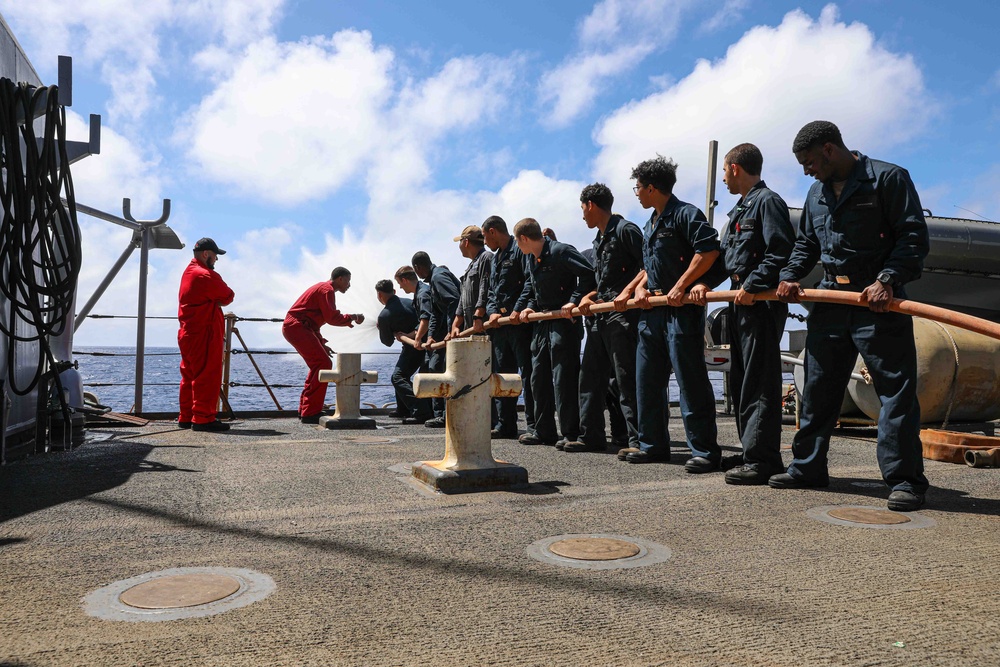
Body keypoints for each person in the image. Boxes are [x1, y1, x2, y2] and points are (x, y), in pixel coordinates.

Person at [772, 120, 930, 511]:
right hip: (831, 302)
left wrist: (888, 280)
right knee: (819, 387)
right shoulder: (815, 193)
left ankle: (905, 481)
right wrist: (790, 275)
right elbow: (807, 243)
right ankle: (807, 467)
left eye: (810, 162)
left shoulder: (888, 179)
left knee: (895, 392)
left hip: (877, 301)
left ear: (829, 149)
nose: (807, 171)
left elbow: (912, 237)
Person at [623, 156, 724, 470]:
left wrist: (682, 285)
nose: (636, 193)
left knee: (690, 380)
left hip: (680, 311)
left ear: (652, 188)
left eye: (638, 188)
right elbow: (648, 268)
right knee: (647, 381)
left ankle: (705, 452)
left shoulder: (685, 214)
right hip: (652, 311)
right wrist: (639, 289)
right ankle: (652, 445)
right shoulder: (650, 223)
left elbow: (709, 251)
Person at [714, 143, 795, 484]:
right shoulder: (738, 209)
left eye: (724, 171)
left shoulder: (768, 202)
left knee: (760, 380)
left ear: (734, 167)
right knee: (743, 379)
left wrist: (754, 282)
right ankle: (751, 451)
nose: (723, 178)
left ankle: (763, 459)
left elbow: (780, 251)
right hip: (740, 302)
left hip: (759, 303)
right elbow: (723, 259)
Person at [572, 183, 644, 454]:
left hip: (624, 317)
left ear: (591, 205)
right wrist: (589, 296)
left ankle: (638, 441)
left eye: (582, 209)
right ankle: (590, 436)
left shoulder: (626, 230)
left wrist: (629, 290)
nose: (582, 216)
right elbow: (605, 283)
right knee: (589, 378)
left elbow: (649, 264)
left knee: (626, 380)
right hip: (601, 317)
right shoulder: (598, 239)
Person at [514, 217, 595, 447]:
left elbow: (588, 274)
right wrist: (526, 307)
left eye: (518, 242)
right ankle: (544, 431)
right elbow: (531, 287)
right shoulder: (531, 258)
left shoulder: (560, 251)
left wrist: (574, 300)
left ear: (524, 238)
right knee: (538, 378)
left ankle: (570, 433)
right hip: (542, 322)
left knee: (564, 379)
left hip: (563, 321)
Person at [282, 267, 364, 424]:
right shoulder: (327, 290)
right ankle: (310, 411)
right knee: (323, 363)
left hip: (298, 327)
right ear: (340, 279)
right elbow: (332, 318)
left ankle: (306, 409)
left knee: (318, 364)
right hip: (298, 326)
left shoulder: (323, 288)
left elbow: (314, 321)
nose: (349, 285)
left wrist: (321, 343)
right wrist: (353, 317)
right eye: (347, 281)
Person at [483, 216, 536, 439]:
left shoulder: (519, 251)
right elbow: (492, 290)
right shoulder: (496, 259)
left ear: (493, 232)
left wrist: (517, 308)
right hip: (502, 326)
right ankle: (506, 424)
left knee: (528, 375)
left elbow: (529, 282)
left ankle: (534, 425)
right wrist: (493, 311)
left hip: (519, 324)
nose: (485, 242)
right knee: (502, 376)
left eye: (485, 236)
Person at [177, 237, 235, 432]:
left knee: (189, 375)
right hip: (204, 333)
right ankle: (203, 418)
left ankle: (186, 417)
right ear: (206, 254)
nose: (216, 260)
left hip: (187, 332)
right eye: (215, 256)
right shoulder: (205, 275)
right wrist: (215, 301)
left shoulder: (188, 272)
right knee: (207, 375)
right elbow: (228, 296)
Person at [411, 252, 461, 427]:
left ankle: (444, 415)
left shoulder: (438, 277)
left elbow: (454, 302)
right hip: (441, 336)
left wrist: (451, 329)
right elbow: (436, 313)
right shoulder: (432, 282)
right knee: (435, 368)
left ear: (418, 268)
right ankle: (440, 414)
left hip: (454, 334)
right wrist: (431, 336)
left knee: (443, 370)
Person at [376, 279, 432, 423]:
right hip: (428, 344)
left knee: (398, 377)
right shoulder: (409, 301)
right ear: (394, 291)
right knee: (403, 375)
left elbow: (387, 342)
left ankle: (421, 412)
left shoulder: (384, 315)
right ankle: (404, 409)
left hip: (413, 347)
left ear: (380, 295)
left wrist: (382, 328)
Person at [394, 265, 435, 424]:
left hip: (432, 342)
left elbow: (426, 318)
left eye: (400, 283)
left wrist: (416, 340)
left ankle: (425, 414)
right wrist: (409, 335)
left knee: (426, 377)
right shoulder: (420, 292)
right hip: (427, 342)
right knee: (425, 377)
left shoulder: (423, 293)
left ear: (405, 280)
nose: (400, 287)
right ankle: (428, 413)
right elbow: (420, 324)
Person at [449, 225, 492, 339]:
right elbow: (463, 298)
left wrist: (478, 316)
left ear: (466, 242)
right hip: (472, 330)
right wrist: (455, 324)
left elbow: (485, 288)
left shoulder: (486, 258)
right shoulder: (471, 266)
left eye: (460, 242)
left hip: (485, 330)